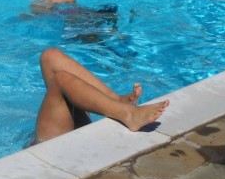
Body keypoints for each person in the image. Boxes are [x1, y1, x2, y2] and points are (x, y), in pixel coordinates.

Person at [34, 47, 170, 143]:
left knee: (50, 56)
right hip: (47, 144)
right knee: (61, 80)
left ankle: (116, 99)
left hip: (68, 127)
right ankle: (127, 114)